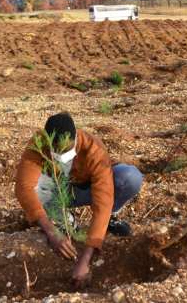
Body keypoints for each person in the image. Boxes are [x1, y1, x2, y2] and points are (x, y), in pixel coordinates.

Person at [15, 113, 143, 289]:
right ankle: (64, 221)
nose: (60, 154)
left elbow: (103, 200)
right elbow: (23, 187)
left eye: (66, 150)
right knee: (36, 186)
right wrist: (52, 232)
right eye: (56, 150)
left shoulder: (94, 147)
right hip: (60, 192)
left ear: (75, 136)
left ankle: (109, 219)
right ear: (47, 140)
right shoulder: (39, 142)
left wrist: (85, 259)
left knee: (130, 177)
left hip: (88, 189)